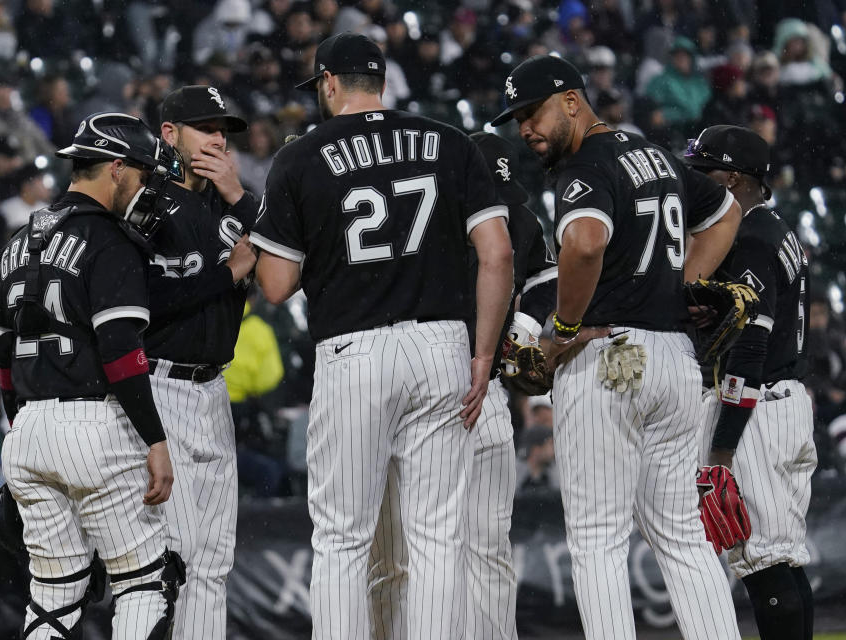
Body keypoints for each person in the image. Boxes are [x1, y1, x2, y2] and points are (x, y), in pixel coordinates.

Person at [251, 33, 514, 640]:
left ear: (329, 84)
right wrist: (483, 356)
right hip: (443, 344)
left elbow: (274, 284)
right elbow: (496, 254)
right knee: (436, 536)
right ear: (382, 82)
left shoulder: (301, 156)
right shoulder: (450, 143)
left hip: (354, 350)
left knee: (343, 539)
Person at [492, 54, 743, 639]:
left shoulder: (586, 166)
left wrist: (561, 331)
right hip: (676, 360)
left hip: (608, 360)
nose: (525, 128)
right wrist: (679, 283)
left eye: (533, 112)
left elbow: (583, 244)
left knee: (598, 540)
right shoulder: (652, 155)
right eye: (517, 119)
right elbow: (726, 211)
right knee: (683, 536)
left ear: (573, 102)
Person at [0, 112, 184, 639]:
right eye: (142, 174)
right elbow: (121, 353)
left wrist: (26, 430)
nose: (144, 187)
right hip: (93, 427)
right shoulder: (108, 242)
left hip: (26, 431)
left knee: (53, 596)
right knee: (146, 581)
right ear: (117, 168)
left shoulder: (15, 244)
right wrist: (155, 438)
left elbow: (4, 361)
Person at [367, 131, 558, 640]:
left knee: (473, 545)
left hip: (476, 386)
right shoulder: (435, 215)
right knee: (422, 550)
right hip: (429, 386)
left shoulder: (515, 216)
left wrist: (523, 328)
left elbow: (545, 276)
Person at [685, 124, 816, 640]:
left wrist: (722, 450)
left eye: (704, 172)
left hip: (756, 409)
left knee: (763, 564)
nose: (696, 183)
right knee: (783, 558)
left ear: (733, 179)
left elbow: (753, 342)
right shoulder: (778, 229)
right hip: (785, 402)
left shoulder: (753, 235)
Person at [150, 84, 259, 640]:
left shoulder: (232, 202)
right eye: (206, 127)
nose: (218, 138)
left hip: (214, 389)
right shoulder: (145, 203)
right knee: (178, 554)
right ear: (170, 134)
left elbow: (292, 256)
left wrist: (239, 195)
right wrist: (226, 274)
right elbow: (144, 305)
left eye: (224, 130)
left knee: (215, 559)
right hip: (160, 387)